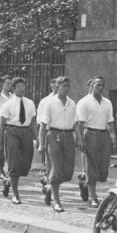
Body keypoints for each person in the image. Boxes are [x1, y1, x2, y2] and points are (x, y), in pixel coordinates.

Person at [38, 76, 78, 213]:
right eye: (63, 86)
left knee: (67, 173)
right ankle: (57, 201)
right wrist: (41, 144)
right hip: (54, 135)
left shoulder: (72, 103)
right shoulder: (50, 103)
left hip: (68, 136)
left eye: (67, 86)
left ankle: (50, 187)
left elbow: (76, 123)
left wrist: (79, 139)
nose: (65, 89)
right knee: (55, 168)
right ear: (57, 87)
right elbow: (43, 125)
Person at [76, 76, 116, 207]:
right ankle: (93, 197)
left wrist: (113, 136)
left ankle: (84, 182)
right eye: (98, 85)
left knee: (102, 170)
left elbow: (110, 122)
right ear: (92, 85)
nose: (100, 88)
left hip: (103, 136)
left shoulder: (107, 103)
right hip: (90, 134)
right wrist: (81, 140)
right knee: (91, 166)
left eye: (102, 85)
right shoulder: (84, 102)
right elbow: (80, 124)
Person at [0, 77, 37, 204]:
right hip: (12, 132)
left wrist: (37, 137)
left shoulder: (30, 103)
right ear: (13, 89)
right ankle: (15, 194)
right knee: (14, 163)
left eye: (24, 86)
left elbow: (33, 123)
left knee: (24, 166)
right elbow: (1, 125)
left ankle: (8, 181)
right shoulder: (7, 105)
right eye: (19, 86)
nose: (22, 89)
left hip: (26, 133)